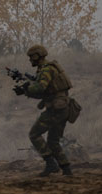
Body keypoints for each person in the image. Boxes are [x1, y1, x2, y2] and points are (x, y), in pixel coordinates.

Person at [14, 45, 74, 176]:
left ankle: (51, 164)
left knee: (34, 134)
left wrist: (25, 89)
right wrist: (27, 88)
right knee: (53, 141)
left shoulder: (46, 70)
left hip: (56, 109)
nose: (30, 60)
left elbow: (40, 88)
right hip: (63, 108)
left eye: (31, 57)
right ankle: (67, 170)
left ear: (37, 56)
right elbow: (43, 92)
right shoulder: (48, 69)